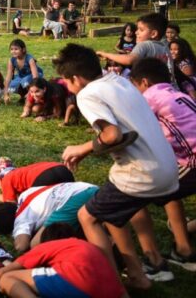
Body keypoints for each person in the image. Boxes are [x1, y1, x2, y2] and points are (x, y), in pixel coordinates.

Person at [55, 43, 180, 289]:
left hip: (143, 173)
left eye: (66, 82)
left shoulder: (87, 94)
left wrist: (81, 148)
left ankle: (112, 287)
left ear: (76, 79)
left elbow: (112, 135)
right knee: (116, 207)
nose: (67, 88)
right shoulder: (118, 81)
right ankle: (143, 270)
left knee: (88, 216)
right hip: (167, 166)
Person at [128, 57, 196, 270]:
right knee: (171, 186)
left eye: (135, 86)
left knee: (130, 193)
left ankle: (153, 262)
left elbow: (128, 131)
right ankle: (183, 249)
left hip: (193, 162)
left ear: (145, 82)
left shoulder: (150, 97)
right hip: (187, 160)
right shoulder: (179, 94)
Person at [0, 222, 127, 298]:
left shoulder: (50, 246)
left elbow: (3, 272)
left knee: (8, 279)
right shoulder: (84, 246)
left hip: (77, 282)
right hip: (111, 291)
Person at [0, 181, 99, 253]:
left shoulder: (20, 221)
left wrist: (13, 237)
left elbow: (21, 246)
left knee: (35, 245)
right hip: (87, 187)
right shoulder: (25, 195)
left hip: (73, 200)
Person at [96, 13, 174, 84]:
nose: (136, 32)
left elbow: (129, 59)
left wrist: (105, 54)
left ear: (153, 34)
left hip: (152, 92)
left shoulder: (145, 45)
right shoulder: (165, 48)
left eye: (141, 30)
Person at [0, 157, 74, 203]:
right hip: (62, 169)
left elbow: (11, 205)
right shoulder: (20, 173)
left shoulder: (6, 179)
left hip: (45, 177)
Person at [3, 39, 43, 103]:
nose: (13, 51)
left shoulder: (29, 59)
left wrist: (31, 92)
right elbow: (8, 77)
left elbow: (35, 76)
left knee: (25, 81)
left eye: (16, 49)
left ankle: (31, 95)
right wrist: (6, 94)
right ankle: (23, 96)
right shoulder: (11, 60)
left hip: (34, 76)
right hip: (21, 76)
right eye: (11, 49)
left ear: (23, 50)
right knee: (12, 85)